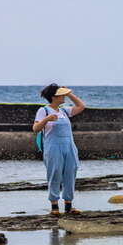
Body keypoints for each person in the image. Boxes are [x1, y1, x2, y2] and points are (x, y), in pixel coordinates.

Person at [33, 83, 85, 215]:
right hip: (53, 147)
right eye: (61, 95)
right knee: (55, 173)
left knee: (70, 172)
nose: (63, 97)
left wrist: (69, 93)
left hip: (69, 146)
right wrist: (47, 119)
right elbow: (35, 128)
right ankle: (54, 206)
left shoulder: (64, 111)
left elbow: (81, 106)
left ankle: (68, 206)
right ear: (53, 97)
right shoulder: (43, 110)